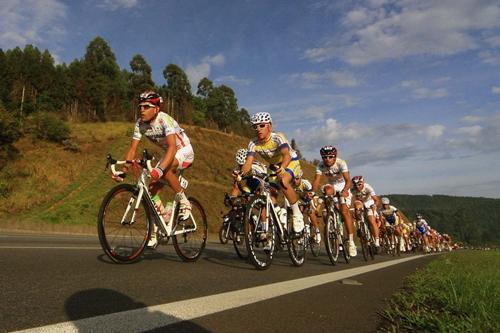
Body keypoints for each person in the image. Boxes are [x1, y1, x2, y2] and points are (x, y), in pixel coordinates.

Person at [112, 91, 194, 247]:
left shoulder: (165, 120)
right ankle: (158, 227)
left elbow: (172, 147)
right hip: (170, 153)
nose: (142, 110)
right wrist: (124, 170)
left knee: (165, 171)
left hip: (184, 151)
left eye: (146, 106)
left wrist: (160, 170)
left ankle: (185, 202)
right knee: (151, 190)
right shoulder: (140, 124)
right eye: (140, 106)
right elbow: (132, 149)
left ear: (156, 108)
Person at [239, 112, 305, 234]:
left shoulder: (277, 137)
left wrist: (283, 167)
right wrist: (240, 173)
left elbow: (286, 155)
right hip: (273, 166)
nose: (258, 129)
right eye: (255, 126)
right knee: (267, 193)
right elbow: (248, 163)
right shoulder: (253, 143)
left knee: (283, 181)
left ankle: (297, 214)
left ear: (269, 126)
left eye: (262, 125)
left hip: (290, 161)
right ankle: (279, 211)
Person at [311, 146, 357, 257]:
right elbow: (316, 181)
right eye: (325, 157)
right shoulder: (320, 165)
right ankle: (331, 217)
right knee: (326, 191)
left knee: (344, 211)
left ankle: (351, 242)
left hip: (343, 186)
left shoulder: (341, 163)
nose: (328, 159)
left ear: (335, 156)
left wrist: (345, 190)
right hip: (332, 186)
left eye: (331, 157)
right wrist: (312, 193)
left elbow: (348, 181)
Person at [351, 175, 381, 251]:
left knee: (371, 220)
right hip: (360, 203)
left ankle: (377, 242)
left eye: (359, 184)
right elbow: (351, 200)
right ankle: (360, 227)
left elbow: (376, 200)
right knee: (356, 208)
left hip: (369, 202)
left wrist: (374, 205)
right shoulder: (352, 190)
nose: (357, 187)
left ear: (363, 183)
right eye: (355, 185)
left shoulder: (368, 187)